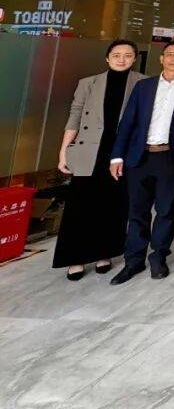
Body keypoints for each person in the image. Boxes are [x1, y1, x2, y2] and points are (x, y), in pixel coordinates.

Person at [108, 40, 174, 285]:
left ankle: (158, 256)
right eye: (170, 54)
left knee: (167, 210)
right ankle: (133, 261)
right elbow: (128, 122)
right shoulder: (144, 86)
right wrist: (117, 155)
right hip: (139, 156)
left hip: (171, 157)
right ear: (161, 58)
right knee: (137, 211)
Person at [54, 39, 145, 280]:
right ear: (107, 58)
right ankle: (75, 258)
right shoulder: (88, 83)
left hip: (121, 152)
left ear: (134, 58)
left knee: (113, 205)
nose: (122, 59)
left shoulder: (143, 82)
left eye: (128, 55)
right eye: (117, 55)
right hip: (89, 150)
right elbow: (75, 116)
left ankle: (104, 253)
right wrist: (64, 150)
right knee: (80, 205)